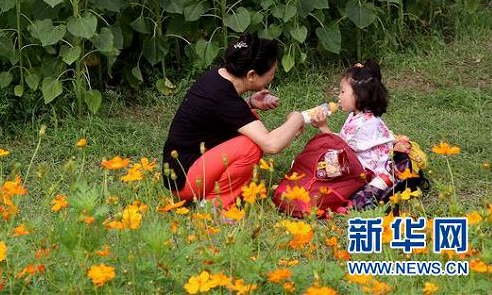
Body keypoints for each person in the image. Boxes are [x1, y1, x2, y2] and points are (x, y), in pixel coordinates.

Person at [161, 33, 306, 210]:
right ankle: (214, 205)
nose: (272, 78)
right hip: (185, 179)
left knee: (253, 123)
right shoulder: (224, 98)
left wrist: (250, 103)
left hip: (180, 169)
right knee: (251, 146)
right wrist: (299, 117)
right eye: (272, 73)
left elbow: (217, 114)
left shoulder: (216, 77)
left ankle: (217, 194)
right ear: (251, 75)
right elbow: (271, 145)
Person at [310, 60, 393, 210]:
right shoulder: (356, 115)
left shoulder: (367, 123)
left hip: (366, 171)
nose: (339, 97)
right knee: (318, 162)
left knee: (322, 168)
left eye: (343, 92)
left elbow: (343, 149)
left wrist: (323, 127)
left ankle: (361, 196)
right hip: (353, 161)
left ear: (360, 95)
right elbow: (343, 141)